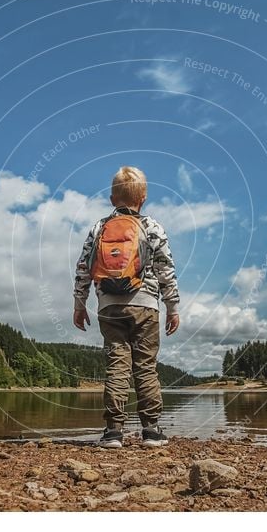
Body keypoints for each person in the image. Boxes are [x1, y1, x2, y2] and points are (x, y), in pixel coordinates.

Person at [73, 166, 180, 448]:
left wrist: (79, 303)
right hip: (145, 305)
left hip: (108, 307)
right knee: (145, 366)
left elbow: (83, 267)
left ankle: (113, 432)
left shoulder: (98, 227)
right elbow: (165, 270)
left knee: (116, 366)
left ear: (112, 200)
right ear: (143, 198)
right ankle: (152, 430)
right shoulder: (153, 227)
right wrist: (172, 306)